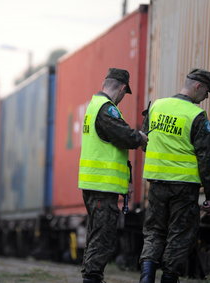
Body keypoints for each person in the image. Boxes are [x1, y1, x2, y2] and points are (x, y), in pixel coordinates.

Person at [139, 68, 210, 283]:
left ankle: (146, 277)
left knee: (154, 231)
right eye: (207, 92)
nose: (206, 97)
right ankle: (168, 278)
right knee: (179, 234)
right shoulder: (196, 115)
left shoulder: (156, 106)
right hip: (184, 186)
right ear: (197, 86)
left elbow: (144, 142)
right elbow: (206, 157)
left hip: (156, 182)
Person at [78, 68, 148, 283]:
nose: (121, 100)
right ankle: (91, 278)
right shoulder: (107, 109)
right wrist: (141, 137)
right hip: (103, 187)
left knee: (97, 235)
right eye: (123, 95)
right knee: (103, 237)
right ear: (122, 88)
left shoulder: (93, 105)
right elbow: (124, 136)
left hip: (94, 184)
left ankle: (92, 277)